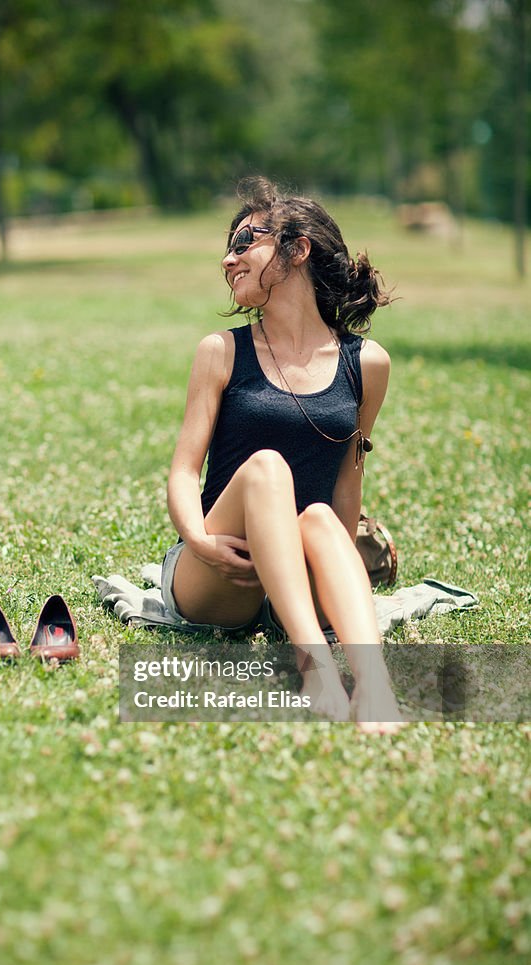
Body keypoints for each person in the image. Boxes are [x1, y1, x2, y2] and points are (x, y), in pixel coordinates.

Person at [163, 176, 403, 732]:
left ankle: (375, 685)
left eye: (246, 240)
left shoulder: (367, 364)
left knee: (319, 517)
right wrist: (198, 540)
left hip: (297, 570)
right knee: (268, 469)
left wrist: (337, 571)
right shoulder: (221, 352)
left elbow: (346, 484)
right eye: (228, 246)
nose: (229, 259)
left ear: (298, 249)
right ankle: (313, 664)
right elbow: (182, 471)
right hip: (220, 571)